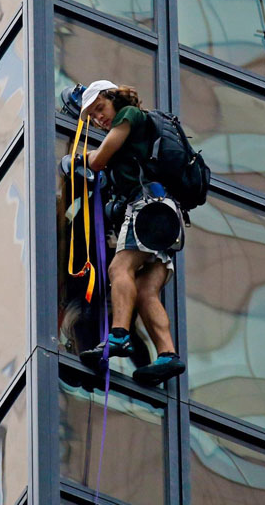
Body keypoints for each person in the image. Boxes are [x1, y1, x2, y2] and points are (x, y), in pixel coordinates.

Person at [75, 80, 187, 387]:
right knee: (146, 290)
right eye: (94, 117)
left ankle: (120, 336)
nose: (100, 118)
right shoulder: (137, 132)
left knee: (118, 268)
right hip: (165, 217)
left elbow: (98, 160)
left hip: (147, 207)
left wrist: (78, 159)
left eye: (100, 108)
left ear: (113, 98)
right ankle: (167, 354)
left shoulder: (130, 116)